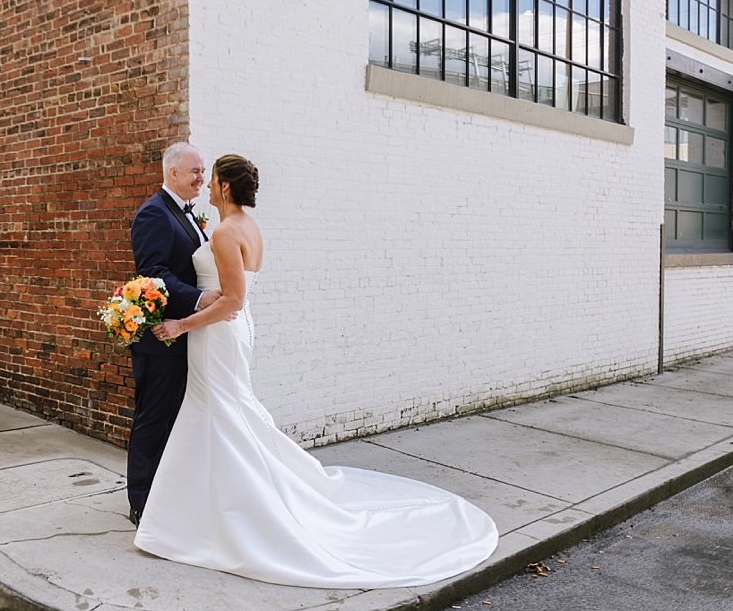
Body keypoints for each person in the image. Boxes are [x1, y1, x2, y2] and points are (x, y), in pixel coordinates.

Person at [134, 154, 499, 588]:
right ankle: (195, 505)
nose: (205, 185)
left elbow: (230, 301)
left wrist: (180, 323)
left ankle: (222, 510)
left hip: (218, 332)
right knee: (223, 412)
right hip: (228, 332)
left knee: (221, 412)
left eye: (210, 178)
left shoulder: (227, 232)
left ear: (225, 188)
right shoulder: (244, 227)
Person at [126, 142, 222, 526]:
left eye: (202, 170)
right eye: (196, 170)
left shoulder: (184, 214)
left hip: (184, 337)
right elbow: (154, 275)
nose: (202, 176)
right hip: (161, 341)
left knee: (175, 420)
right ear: (173, 173)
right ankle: (142, 505)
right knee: (153, 419)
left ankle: (166, 495)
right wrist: (200, 298)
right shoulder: (153, 214)